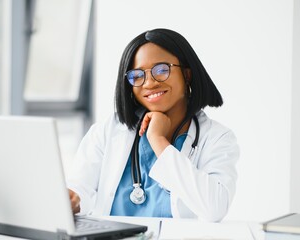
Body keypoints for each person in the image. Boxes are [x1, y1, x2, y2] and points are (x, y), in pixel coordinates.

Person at [67, 28, 239, 222]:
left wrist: (158, 141)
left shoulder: (217, 138)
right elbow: (80, 189)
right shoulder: (109, 130)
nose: (150, 83)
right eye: (138, 76)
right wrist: (72, 199)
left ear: (187, 74)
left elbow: (214, 209)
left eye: (162, 70)